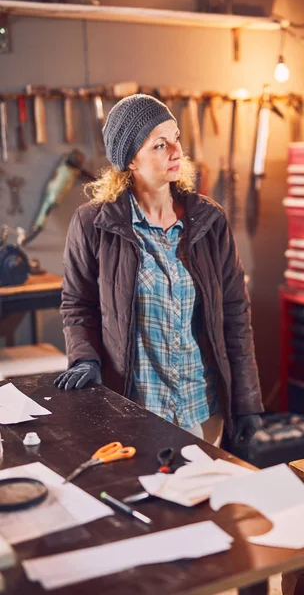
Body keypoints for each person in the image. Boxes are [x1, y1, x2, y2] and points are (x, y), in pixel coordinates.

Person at [54, 94, 264, 446]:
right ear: (131, 160)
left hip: (203, 410)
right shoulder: (94, 224)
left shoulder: (209, 221)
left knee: (201, 497)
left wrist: (246, 401)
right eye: (160, 144)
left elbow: (235, 315)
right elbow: (78, 306)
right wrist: (84, 358)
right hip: (134, 412)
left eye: (176, 138)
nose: (176, 152)